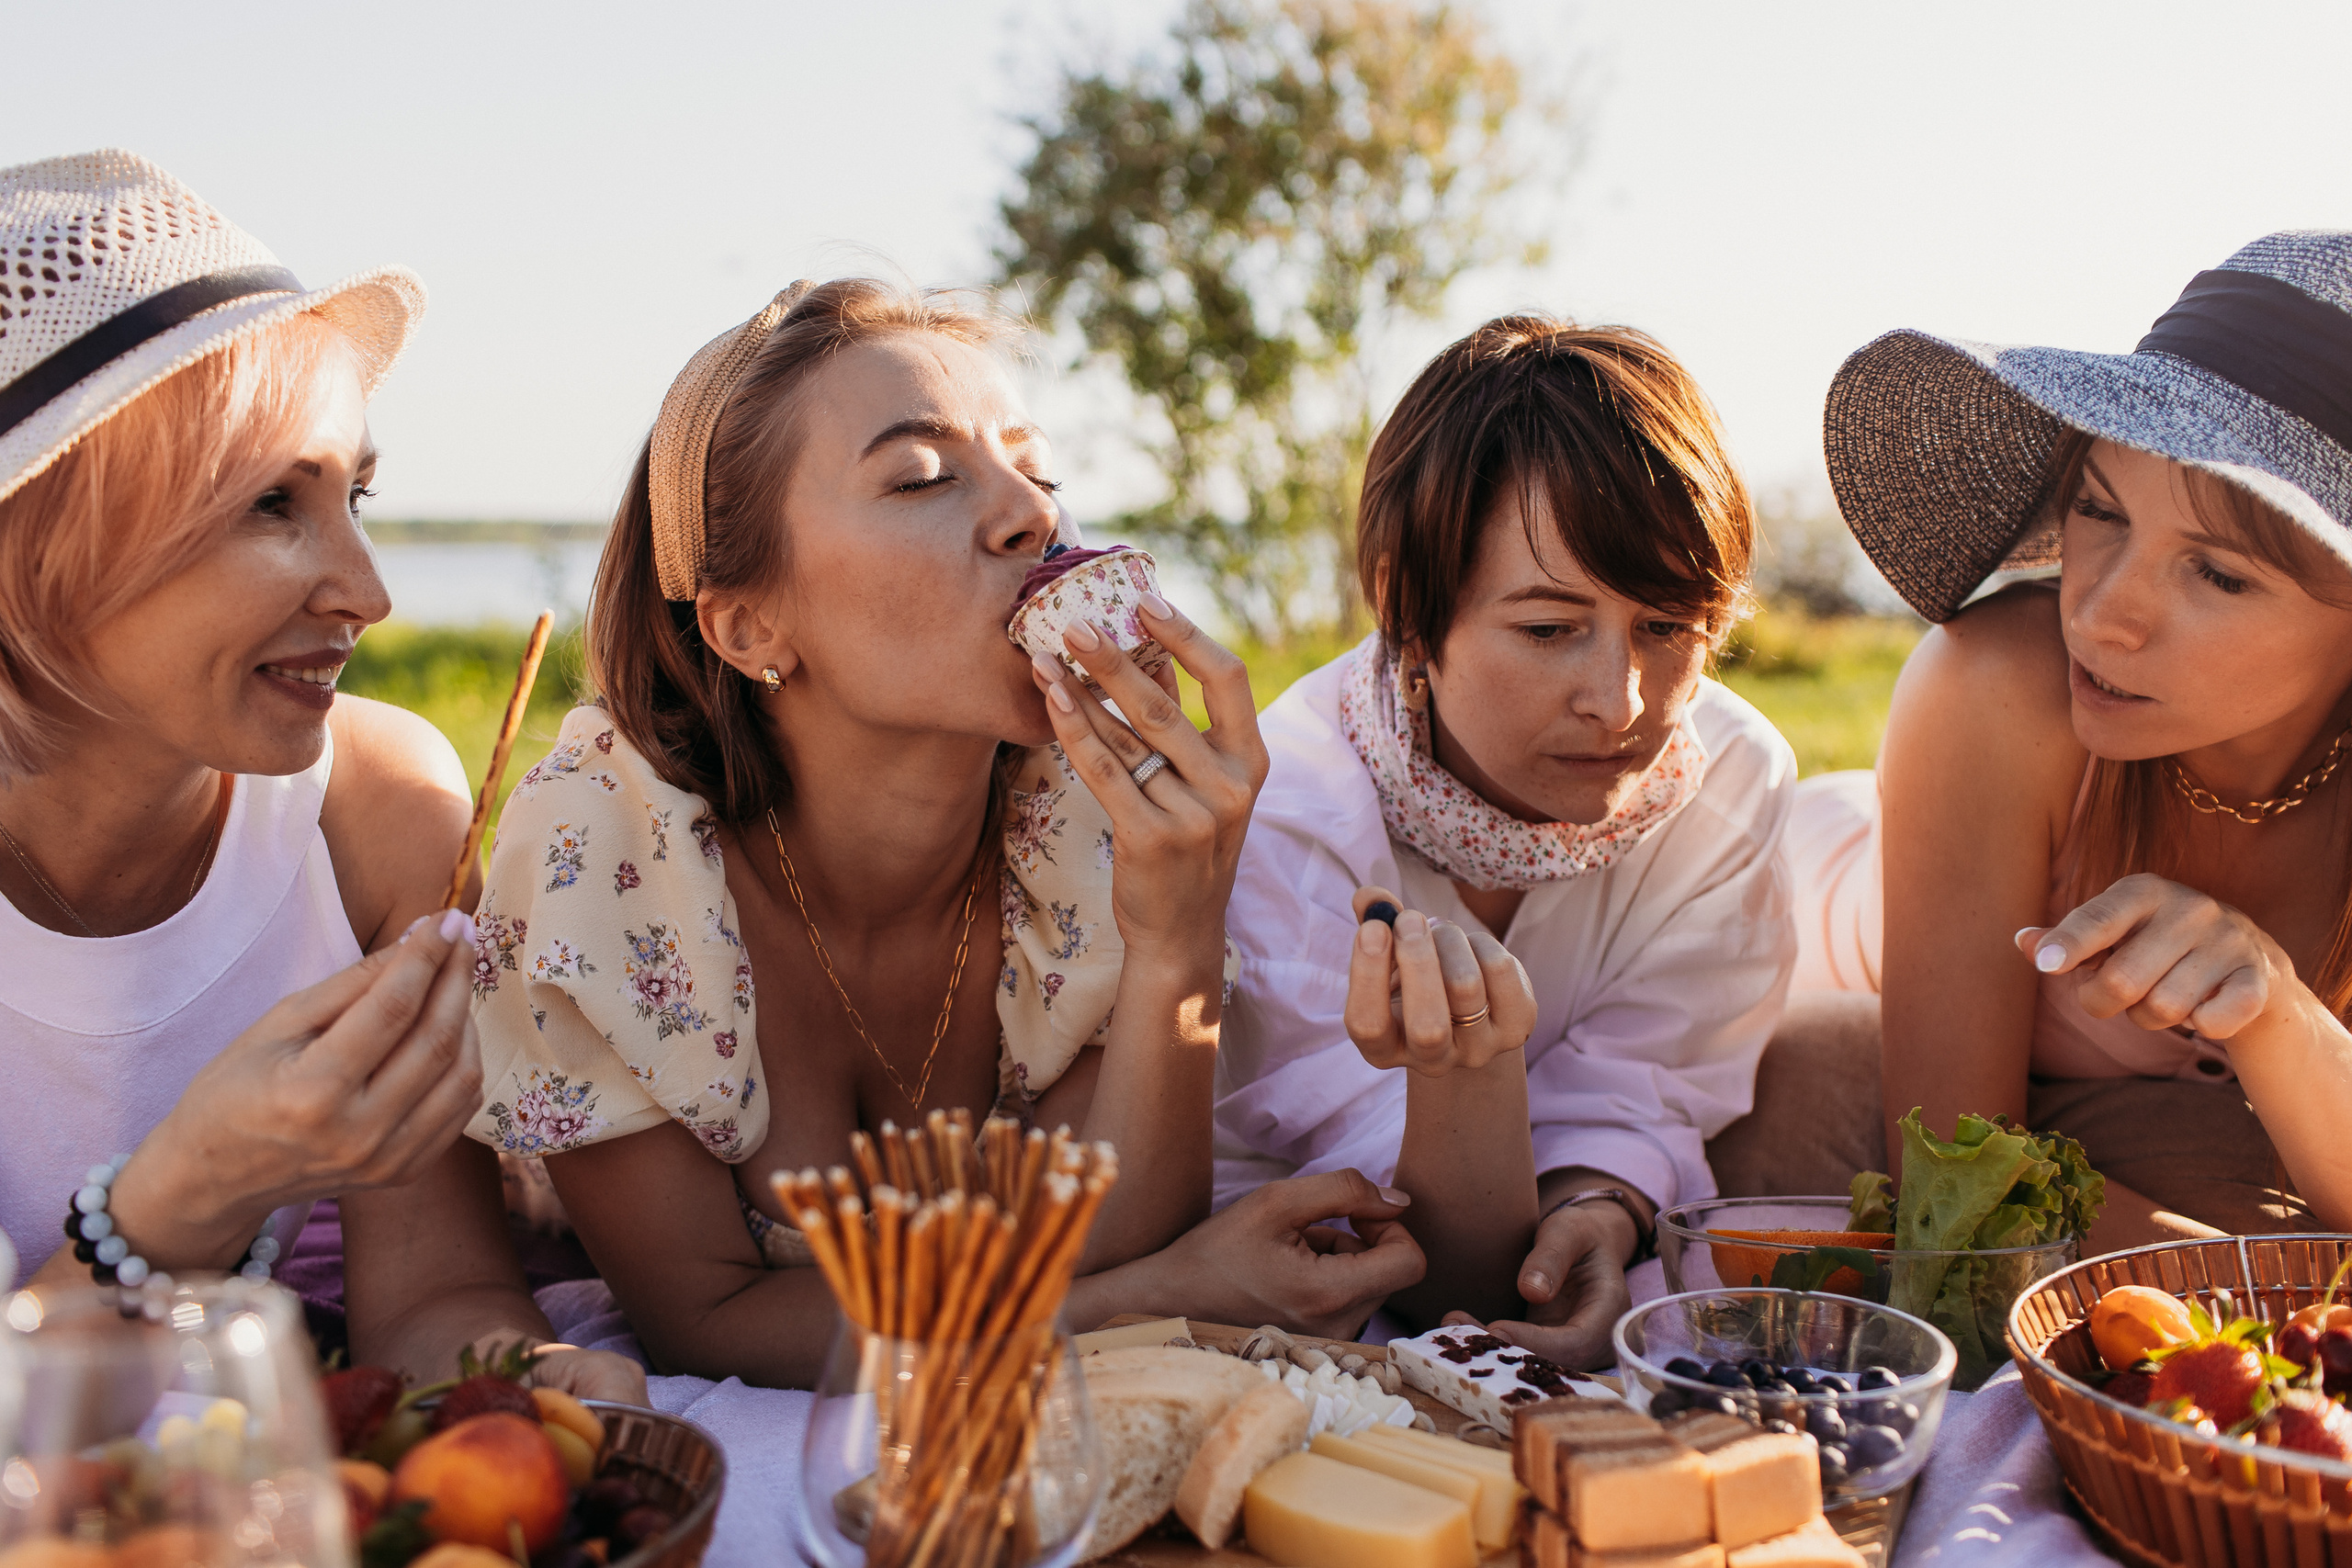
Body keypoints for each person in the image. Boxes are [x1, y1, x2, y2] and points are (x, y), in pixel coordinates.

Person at [473, 277, 1433, 1390]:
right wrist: (1161, 1301)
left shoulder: (1079, 818)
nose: (1035, 512)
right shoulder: (605, 851)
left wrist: (1179, 932)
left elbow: (1116, 1230)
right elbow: (712, 1320)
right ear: (748, 624)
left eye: (1040, 469)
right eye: (922, 476)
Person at [0, 151, 639, 1400]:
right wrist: (194, 1179)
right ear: (39, 548)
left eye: (355, 492)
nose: (370, 592)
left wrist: (537, 1389)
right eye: (269, 506)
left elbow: (433, 1295)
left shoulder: (377, 806)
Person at [1216, 315, 1800, 1368]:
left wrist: (1597, 1206)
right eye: (1546, 629)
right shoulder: (1285, 810)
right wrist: (1468, 1078)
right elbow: (1418, 1240)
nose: (1619, 701)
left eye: (1666, 627)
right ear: (1404, 603)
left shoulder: (1727, 776)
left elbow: (1650, 1078)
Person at [1780, 229, 2352, 1243]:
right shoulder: (1995, 686)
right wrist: (2275, 1306)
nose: (2102, 615)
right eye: (2098, 509)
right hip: (1816, 912)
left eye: (2216, 573)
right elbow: (1953, 1195)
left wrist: (2274, 1013)